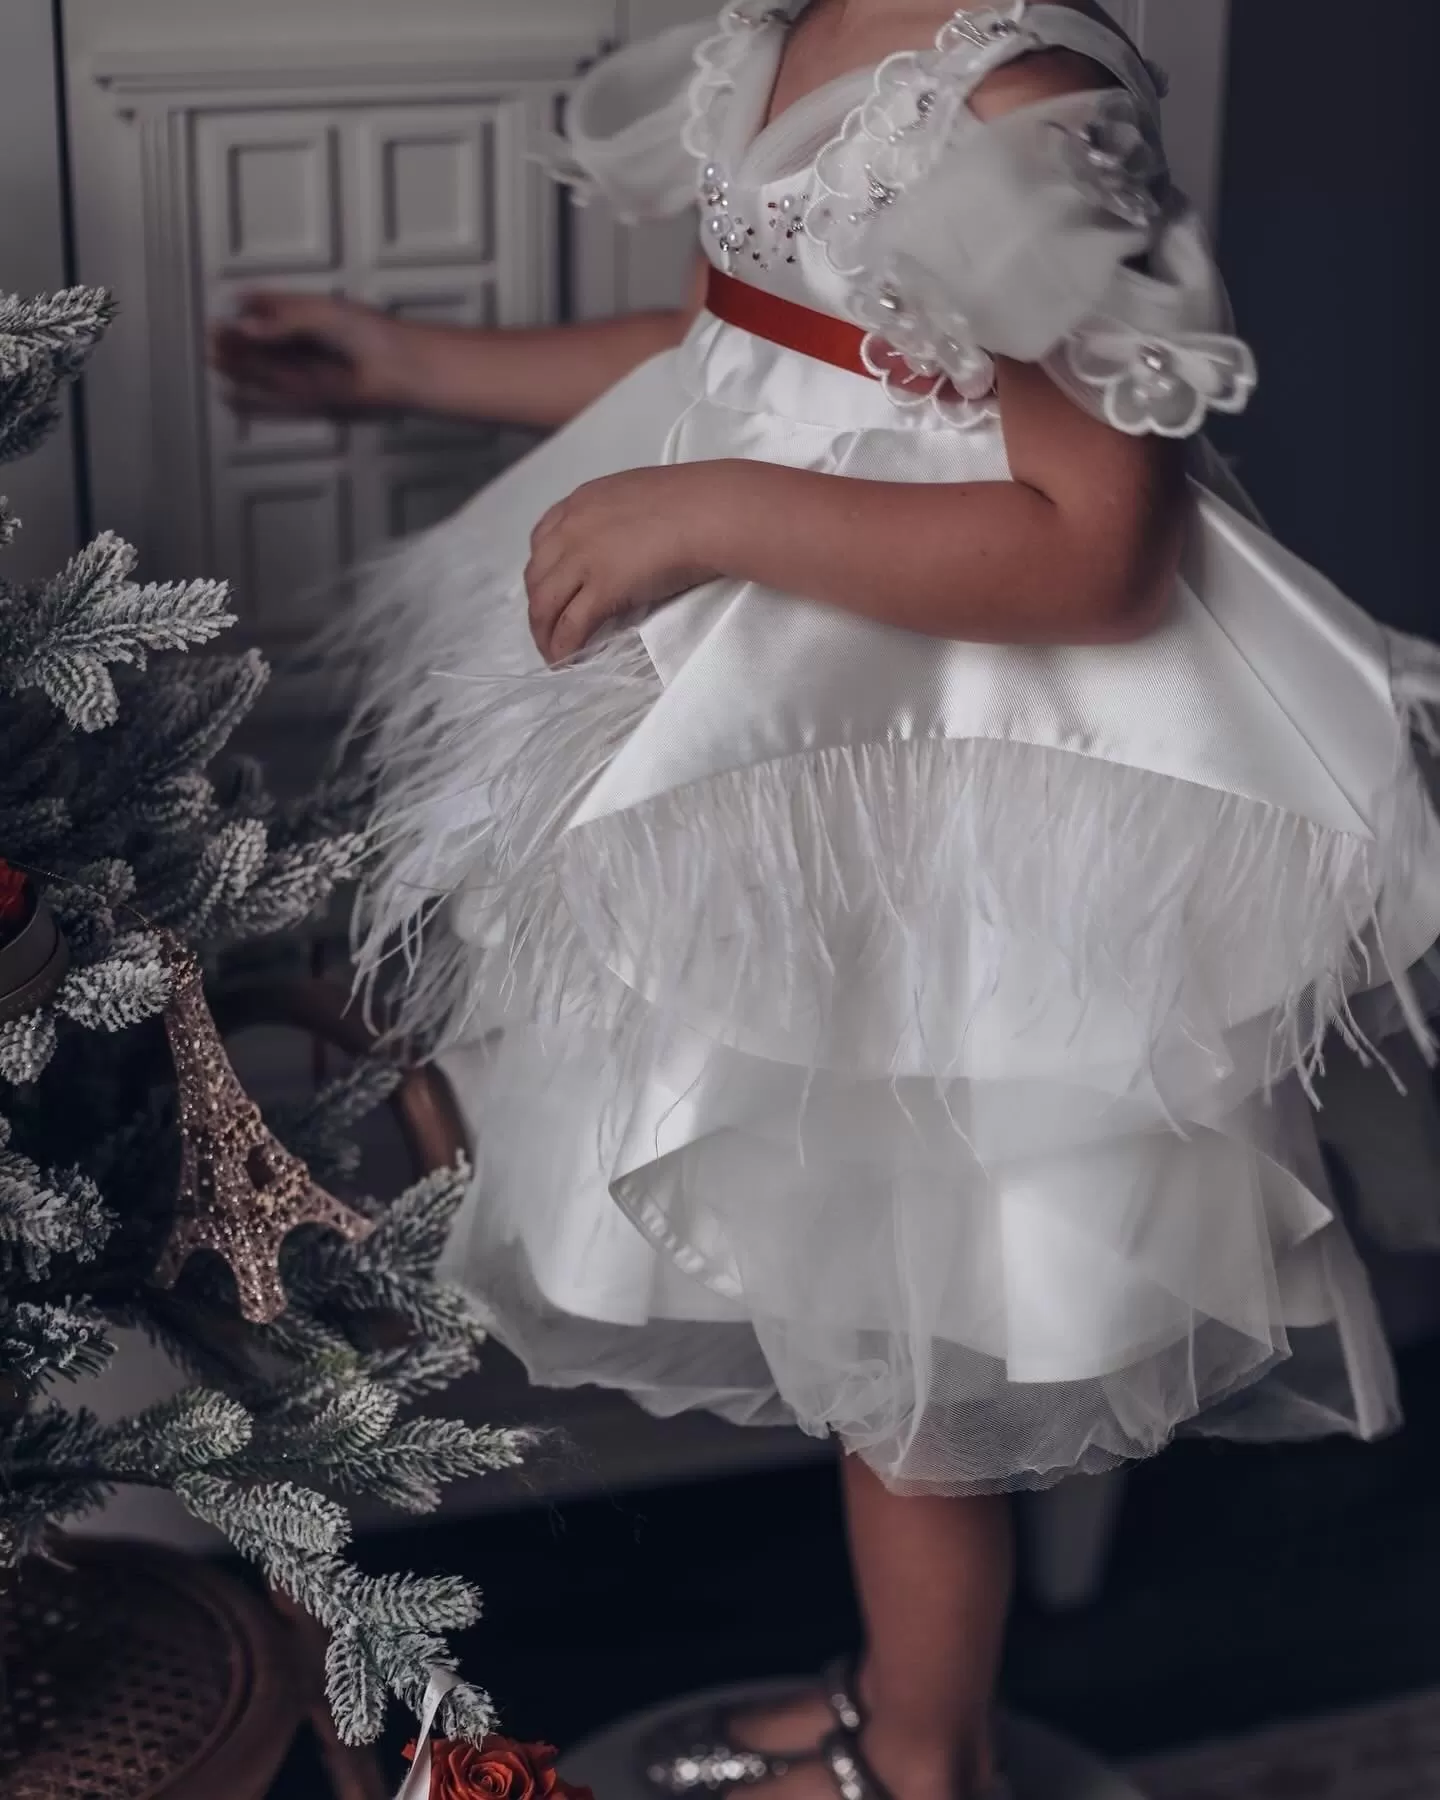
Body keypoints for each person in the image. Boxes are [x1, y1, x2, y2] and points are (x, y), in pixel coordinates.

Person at [211, 3, 1440, 1797]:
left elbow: (1097, 544)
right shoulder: (790, 30)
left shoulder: (1020, 107)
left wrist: (706, 517)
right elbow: (747, 350)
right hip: (768, 732)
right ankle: (887, 1697)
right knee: (760, 1229)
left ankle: (926, 1761)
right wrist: (416, 362)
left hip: (932, 761)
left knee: (916, 1332)